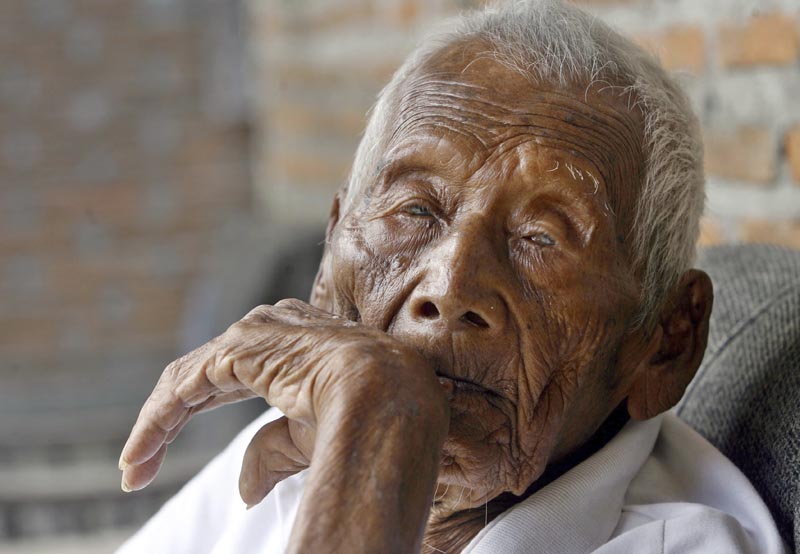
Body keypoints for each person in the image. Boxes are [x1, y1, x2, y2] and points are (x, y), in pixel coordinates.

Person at [116, 1, 788, 552]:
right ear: (330, 255)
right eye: (415, 210)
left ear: (665, 343)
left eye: (540, 239)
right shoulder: (307, 442)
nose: (450, 285)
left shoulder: (685, 545)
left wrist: (382, 430)